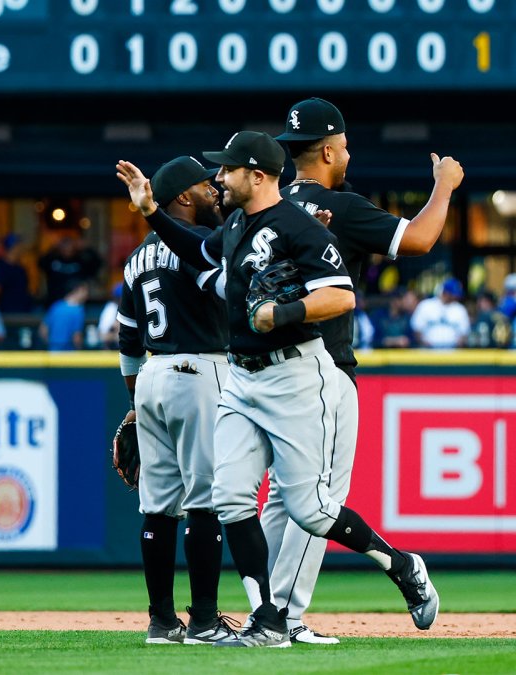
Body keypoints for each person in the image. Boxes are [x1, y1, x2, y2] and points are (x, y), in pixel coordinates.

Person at [116, 130, 439, 649]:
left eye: (227, 170)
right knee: (230, 498)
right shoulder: (240, 224)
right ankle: (268, 619)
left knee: (309, 508)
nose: (218, 178)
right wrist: (153, 213)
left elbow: (341, 296)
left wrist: (282, 312)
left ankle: (400, 564)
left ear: (257, 175)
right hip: (241, 377)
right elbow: (199, 251)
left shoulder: (296, 224)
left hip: (293, 373)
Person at [261, 96, 464, 643]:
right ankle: (287, 617)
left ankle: (273, 615)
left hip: (267, 370)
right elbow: (419, 240)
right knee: (313, 500)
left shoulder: (267, 209)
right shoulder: (339, 206)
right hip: (324, 371)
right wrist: (444, 185)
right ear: (329, 149)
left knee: (283, 498)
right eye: (345, 145)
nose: (347, 153)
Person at [116, 156, 238, 645]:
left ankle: (162, 622)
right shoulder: (198, 248)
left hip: (150, 376)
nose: (216, 192)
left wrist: (133, 401)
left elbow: (126, 339)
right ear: (183, 198)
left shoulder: (136, 258)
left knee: (159, 507)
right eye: (207, 186)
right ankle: (205, 620)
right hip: (199, 371)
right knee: (206, 501)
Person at [38, 235, 100, 306]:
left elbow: (96, 264)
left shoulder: (80, 260)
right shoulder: (52, 260)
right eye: (64, 246)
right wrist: (53, 248)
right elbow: (40, 263)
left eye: (69, 246)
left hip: (76, 303)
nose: (67, 249)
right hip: (54, 302)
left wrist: (87, 248)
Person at [410, 277, 471, 349]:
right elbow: (417, 329)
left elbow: (464, 333)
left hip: (452, 353)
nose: (456, 296)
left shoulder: (460, 309)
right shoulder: (426, 305)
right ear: (445, 292)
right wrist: (423, 342)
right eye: (453, 294)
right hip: (428, 353)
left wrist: (460, 342)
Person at [39, 282, 86, 350]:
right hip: (69, 353)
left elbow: (43, 331)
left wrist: (52, 345)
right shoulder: (78, 311)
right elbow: (76, 337)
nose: (86, 295)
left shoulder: (56, 306)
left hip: (52, 352)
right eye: (84, 291)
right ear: (77, 290)